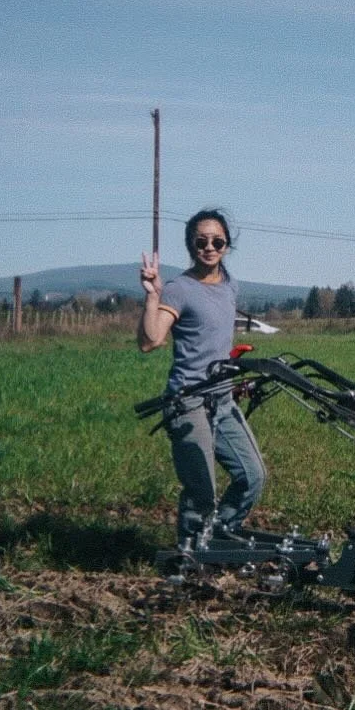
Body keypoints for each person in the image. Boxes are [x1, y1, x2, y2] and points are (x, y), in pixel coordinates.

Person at [138, 208, 266, 547]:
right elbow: (150, 340)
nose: (209, 247)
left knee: (253, 476)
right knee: (202, 491)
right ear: (190, 245)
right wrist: (153, 295)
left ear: (226, 245)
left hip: (222, 400)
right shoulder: (180, 288)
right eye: (201, 241)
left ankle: (218, 539)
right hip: (188, 401)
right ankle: (189, 558)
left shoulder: (230, 286)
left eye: (217, 241)